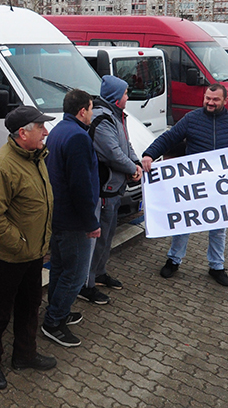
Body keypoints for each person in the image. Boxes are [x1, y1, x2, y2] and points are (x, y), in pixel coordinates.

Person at [141, 85, 228, 287]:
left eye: (215, 99)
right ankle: (174, 260)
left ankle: (216, 266)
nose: (210, 102)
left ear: (225, 101)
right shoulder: (192, 118)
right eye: (207, 98)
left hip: (221, 187)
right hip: (193, 185)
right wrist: (149, 154)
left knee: (218, 227)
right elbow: (169, 138)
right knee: (184, 222)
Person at [0, 105, 57, 390]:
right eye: (40, 127)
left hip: (32, 254)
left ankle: (24, 355)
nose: (46, 132)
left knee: (30, 305)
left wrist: (36, 245)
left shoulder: (36, 157)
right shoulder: (2, 165)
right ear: (23, 133)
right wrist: (19, 242)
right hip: (9, 256)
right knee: (0, 312)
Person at [41, 90, 100, 348]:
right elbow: (80, 185)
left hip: (58, 216)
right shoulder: (78, 137)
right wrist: (91, 222)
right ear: (82, 111)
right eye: (91, 108)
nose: (92, 113)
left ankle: (59, 310)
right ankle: (53, 322)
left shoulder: (58, 130)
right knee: (75, 275)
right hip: (74, 220)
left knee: (61, 268)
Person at [80, 76, 143, 305]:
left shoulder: (116, 116)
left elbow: (126, 146)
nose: (128, 97)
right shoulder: (102, 118)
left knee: (107, 236)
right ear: (117, 99)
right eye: (126, 93)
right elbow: (112, 152)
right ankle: (86, 284)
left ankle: (99, 273)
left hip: (116, 186)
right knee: (97, 238)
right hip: (105, 188)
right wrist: (132, 167)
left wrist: (134, 161)